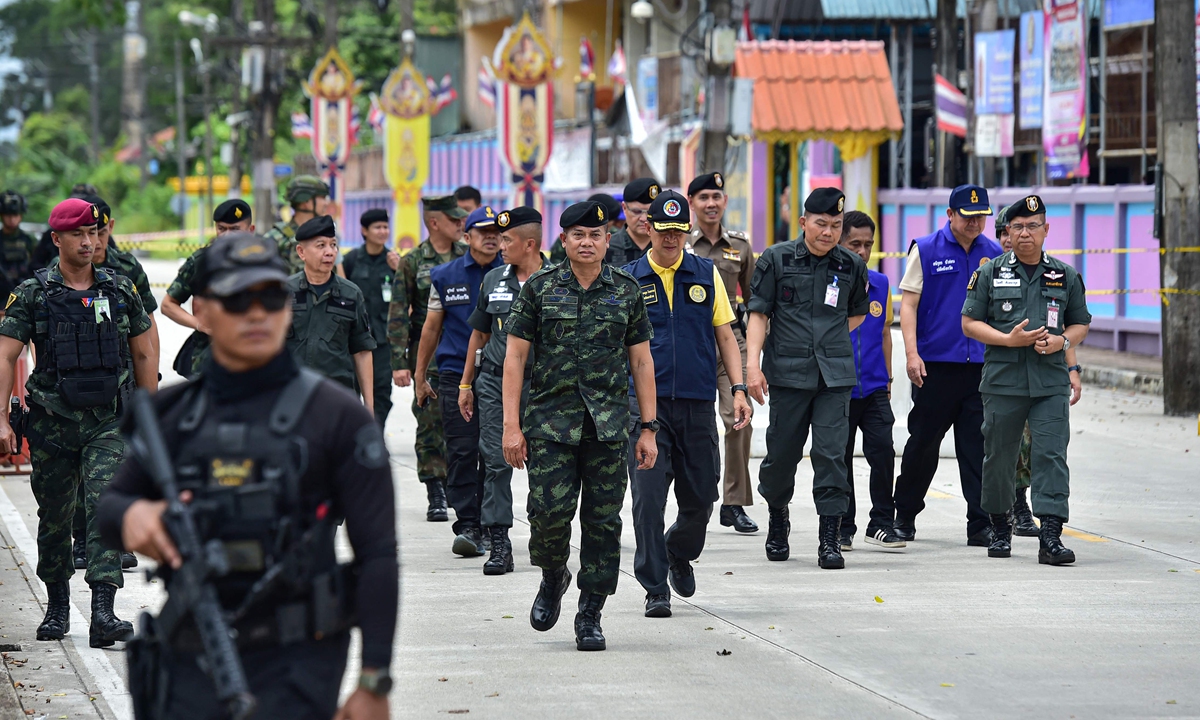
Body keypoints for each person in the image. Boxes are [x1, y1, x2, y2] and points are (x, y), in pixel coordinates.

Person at [96, 231, 397, 720]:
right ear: (205, 310)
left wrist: (374, 682)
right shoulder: (172, 415)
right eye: (238, 299)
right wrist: (133, 515)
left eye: (271, 296)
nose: (256, 312)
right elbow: (109, 510)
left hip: (298, 665)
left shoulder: (338, 418)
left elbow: (379, 554)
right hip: (190, 660)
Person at [0, 198, 157, 648]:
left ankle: (104, 612)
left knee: (107, 508)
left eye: (94, 233)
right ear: (57, 239)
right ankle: (57, 604)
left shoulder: (121, 289)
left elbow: (145, 350)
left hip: (108, 422)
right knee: (54, 518)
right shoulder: (34, 293)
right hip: (51, 424)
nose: (89, 242)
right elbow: (6, 354)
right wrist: (2, 418)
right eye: (77, 235)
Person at [502, 200, 657, 652]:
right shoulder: (540, 289)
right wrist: (512, 427)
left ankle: (590, 613)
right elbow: (514, 358)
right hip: (550, 427)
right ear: (564, 240)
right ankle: (553, 575)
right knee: (547, 516)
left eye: (596, 235)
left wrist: (648, 427)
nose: (587, 242)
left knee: (603, 524)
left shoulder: (627, 290)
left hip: (608, 429)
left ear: (608, 240)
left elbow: (642, 360)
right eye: (578, 235)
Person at [624, 190, 751, 618]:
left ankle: (679, 550)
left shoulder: (705, 273)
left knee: (702, 497)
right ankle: (655, 587)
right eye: (665, 230)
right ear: (649, 229)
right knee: (648, 499)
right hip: (647, 411)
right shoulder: (627, 279)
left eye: (680, 231)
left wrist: (738, 388)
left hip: (697, 403)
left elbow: (726, 337)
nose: (672, 239)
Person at [961, 194, 1092, 565]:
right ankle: (1000, 526)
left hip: (1049, 382)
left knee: (1051, 454)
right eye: (1017, 227)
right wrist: (1007, 339)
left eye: (1033, 226)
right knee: (999, 457)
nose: (1025, 233)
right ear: (1007, 232)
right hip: (1003, 381)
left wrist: (1063, 342)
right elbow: (968, 322)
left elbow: (1081, 322)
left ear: (1046, 230)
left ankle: (1050, 536)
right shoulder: (989, 272)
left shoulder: (1065, 275)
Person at [745, 188, 870, 570]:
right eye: (820, 224)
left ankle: (829, 538)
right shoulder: (775, 259)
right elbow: (759, 314)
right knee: (781, 456)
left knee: (832, 455)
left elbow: (857, 313)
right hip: (787, 374)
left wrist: (826, 340)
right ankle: (778, 516)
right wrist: (753, 365)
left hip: (834, 377)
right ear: (803, 223)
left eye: (835, 225)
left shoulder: (850, 264)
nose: (828, 232)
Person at [893, 184, 1002, 547]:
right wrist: (911, 354)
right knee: (923, 444)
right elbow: (908, 305)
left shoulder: (995, 253)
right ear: (950, 215)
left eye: (981, 217)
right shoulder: (925, 249)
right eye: (968, 217)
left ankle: (980, 523)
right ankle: (904, 515)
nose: (975, 224)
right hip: (935, 365)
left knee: (977, 447)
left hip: (980, 367)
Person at [65, 195, 160, 571]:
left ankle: (115, 537)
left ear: (109, 229)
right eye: (88, 232)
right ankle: (81, 538)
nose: (96, 241)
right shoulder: (58, 276)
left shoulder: (126, 269)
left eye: (100, 232)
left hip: (122, 380)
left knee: (120, 465)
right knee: (75, 471)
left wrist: (148, 383)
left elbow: (148, 328)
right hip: (76, 383)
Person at [457, 206, 545, 575]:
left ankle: (545, 538)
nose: (500, 245)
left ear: (529, 244)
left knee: (546, 465)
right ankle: (499, 542)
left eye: (507, 240)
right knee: (495, 460)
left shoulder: (557, 279)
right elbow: (479, 333)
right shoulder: (494, 279)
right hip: (493, 381)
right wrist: (466, 383)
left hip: (542, 386)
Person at [414, 206, 503, 557]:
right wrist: (421, 375)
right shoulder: (445, 275)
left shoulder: (512, 275)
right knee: (463, 450)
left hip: (499, 375)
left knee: (491, 452)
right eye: (483, 231)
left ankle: (488, 521)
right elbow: (431, 328)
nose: (492, 237)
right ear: (467, 237)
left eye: (497, 231)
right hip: (453, 375)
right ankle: (467, 524)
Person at [686, 171, 758, 533]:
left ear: (725, 201)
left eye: (716, 196)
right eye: (703, 198)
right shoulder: (679, 243)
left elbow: (756, 301)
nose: (711, 204)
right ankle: (694, 501)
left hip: (732, 338)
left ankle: (734, 503)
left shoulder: (740, 246)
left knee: (738, 417)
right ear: (692, 204)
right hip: (691, 340)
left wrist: (759, 360)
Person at [387, 196, 467, 522]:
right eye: (454, 219)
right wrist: (399, 362)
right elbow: (397, 315)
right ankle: (435, 489)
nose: (461, 225)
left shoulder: (469, 257)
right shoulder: (413, 261)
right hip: (428, 353)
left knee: (464, 425)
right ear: (434, 223)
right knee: (430, 423)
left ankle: (458, 487)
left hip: (463, 351)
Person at [836, 211, 906, 550]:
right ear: (839, 241)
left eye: (868, 245)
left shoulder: (881, 284)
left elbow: (884, 335)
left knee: (882, 452)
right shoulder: (830, 284)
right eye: (855, 244)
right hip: (839, 389)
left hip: (875, 387)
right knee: (841, 456)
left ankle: (880, 522)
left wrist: (888, 378)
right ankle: (842, 525)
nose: (862, 252)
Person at [286, 215, 375, 407]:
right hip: (291, 396)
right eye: (321, 246)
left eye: (333, 245)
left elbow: (362, 351)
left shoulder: (351, 294)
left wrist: (369, 406)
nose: (330, 252)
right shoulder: (283, 293)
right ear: (301, 252)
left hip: (337, 399)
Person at [160, 198, 255, 380]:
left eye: (235, 229)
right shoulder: (201, 261)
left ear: (250, 231)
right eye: (221, 229)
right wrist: (199, 324)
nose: (226, 235)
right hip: (207, 359)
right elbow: (168, 305)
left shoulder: (263, 262)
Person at [343, 208, 401, 428]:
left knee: (382, 390)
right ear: (364, 231)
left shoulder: (393, 261)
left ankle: (375, 432)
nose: (382, 231)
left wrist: (398, 271)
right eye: (377, 227)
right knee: (351, 388)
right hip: (354, 339)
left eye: (385, 227)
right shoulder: (352, 260)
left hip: (382, 340)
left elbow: (407, 296)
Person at [550, 180, 658, 266]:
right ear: (624, 208)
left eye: (650, 212)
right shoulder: (602, 246)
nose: (644, 218)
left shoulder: (665, 245)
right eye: (636, 211)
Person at [267, 175, 331, 276]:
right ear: (306, 201)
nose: (326, 203)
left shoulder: (327, 238)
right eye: (322, 198)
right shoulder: (275, 238)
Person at [0, 190, 36, 288]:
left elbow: (37, 265)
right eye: (8, 215)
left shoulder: (29, 240)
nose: (12, 219)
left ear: (21, 215)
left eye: (15, 215)